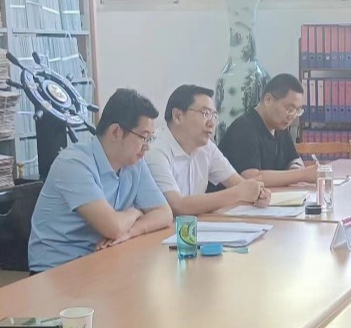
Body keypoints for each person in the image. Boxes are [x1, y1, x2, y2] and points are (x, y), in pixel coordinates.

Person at [29, 88, 174, 272]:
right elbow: (113, 228)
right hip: (56, 269)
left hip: (102, 259)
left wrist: (131, 231)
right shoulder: (74, 163)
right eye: (143, 137)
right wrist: (136, 211)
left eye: (150, 138)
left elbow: (164, 213)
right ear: (115, 132)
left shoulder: (135, 163)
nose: (147, 147)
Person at [145, 85, 269, 215]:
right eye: (205, 114)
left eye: (214, 116)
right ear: (178, 116)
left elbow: (239, 184)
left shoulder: (206, 147)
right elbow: (177, 206)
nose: (211, 123)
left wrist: (260, 193)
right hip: (167, 226)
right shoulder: (155, 150)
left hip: (197, 224)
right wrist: (238, 193)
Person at [218, 73, 319, 186]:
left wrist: (296, 168)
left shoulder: (280, 127)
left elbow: (293, 159)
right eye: (290, 109)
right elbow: (252, 178)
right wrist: (303, 175)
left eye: (297, 110)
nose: (292, 116)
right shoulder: (244, 129)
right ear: (268, 100)